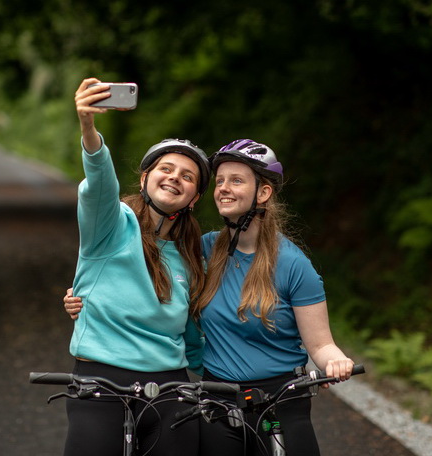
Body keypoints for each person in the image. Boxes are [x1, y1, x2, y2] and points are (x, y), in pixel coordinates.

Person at [65, 138, 354, 456]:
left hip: (282, 398)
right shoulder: (201, 250)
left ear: (263, 192)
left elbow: (321, 345)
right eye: (220, 181)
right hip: (217, 399)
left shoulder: (293, 264)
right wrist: (88, 297)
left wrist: (335, 361)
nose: (225, 188)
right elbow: (145, 279)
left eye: (237, 180)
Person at [62, 77, 211, 456]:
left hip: (171, 387)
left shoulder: (193, 255)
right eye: (166, 168)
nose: (175, 177)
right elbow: (98, 184)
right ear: (145, 178)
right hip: (101, 380)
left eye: (187, 176)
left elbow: (195, 335)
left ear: (193, 198)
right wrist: (88, 128)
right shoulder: (112, 224)